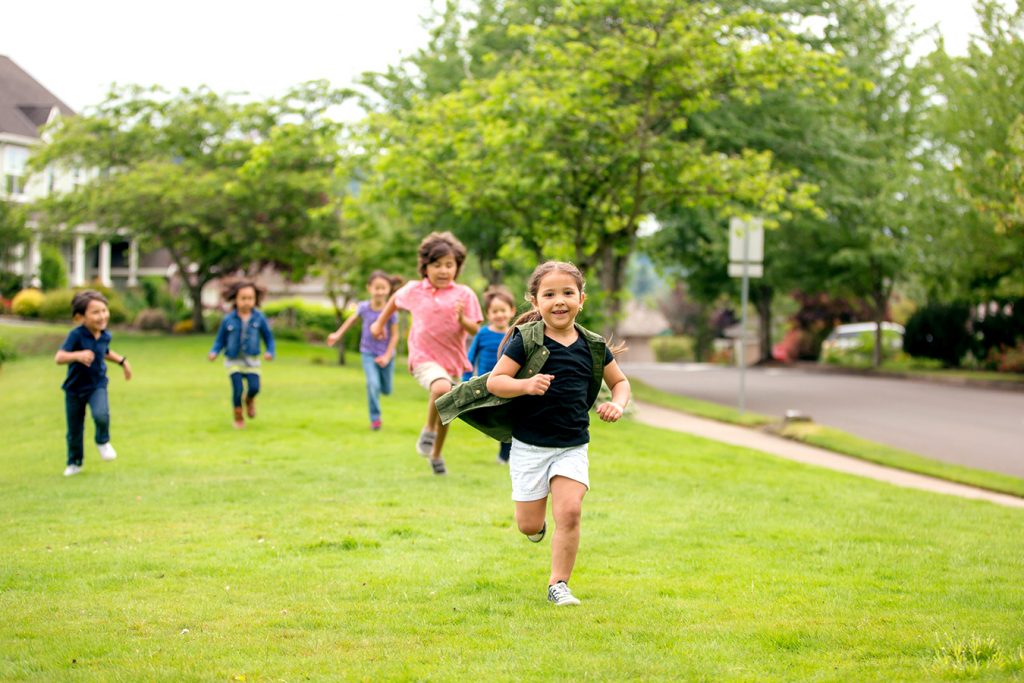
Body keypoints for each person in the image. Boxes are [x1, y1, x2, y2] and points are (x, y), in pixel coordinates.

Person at [437, 261, 629, 606]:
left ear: (581, 299)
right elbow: (496, 381)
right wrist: (526, 385)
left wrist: (618, 403)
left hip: (572, 446)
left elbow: (620, 382)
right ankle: (536, 529)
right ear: (535, 301)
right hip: (529, 446)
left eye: (568, 293)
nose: (559, 301)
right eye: (549, 294)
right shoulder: (526, 340)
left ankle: (559, 584)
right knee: (528, 525)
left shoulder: (593, 345)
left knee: (570, 512)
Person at [370, 231, 482, 475]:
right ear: (425, 267)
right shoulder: (414, 290)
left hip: (452, 362)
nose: (443, 270)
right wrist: (379, 324)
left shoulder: (464, 294)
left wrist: (462, 319)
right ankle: (428, 430)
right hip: (423, 358)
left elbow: (476, 328)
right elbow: (394, 301)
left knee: (447, 410)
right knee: (441, 389)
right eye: (437, 265)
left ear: (457, 267)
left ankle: (437, 453)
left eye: (449, 265)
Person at [55, 290, 133, 477]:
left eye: (104, 310)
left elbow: (104, 351)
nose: (102, 316)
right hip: (74, 389)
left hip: (97, 385)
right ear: (80, 317)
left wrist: (122, 362)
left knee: (101, 415)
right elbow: (59, 357)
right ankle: (74, 462)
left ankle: (102, 441)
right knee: (74, 429)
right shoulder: (76, 335)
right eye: (95, 312)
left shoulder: (105, 335)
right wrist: (77, 355)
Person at [326, 271, 401, 431]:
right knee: (372, 384)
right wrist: (337, 334)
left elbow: (395, 336)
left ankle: (380, 389)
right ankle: (375, 419)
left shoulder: (391, 311)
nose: (379, 291)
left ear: (388, 290)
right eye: (376, 288)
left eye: (383, 288)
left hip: (386, 354)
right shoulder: (364, 308)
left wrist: (387, 356)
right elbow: (351, 321)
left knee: (386, 390)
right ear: (369, 288)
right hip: (368, 352)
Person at [208, 280, 275, 429]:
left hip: (252, 361)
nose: (246, 302)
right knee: (237, 388)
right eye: (243, 298)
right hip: (233, 360)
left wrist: (270, 352)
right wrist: (214, 351)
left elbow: (269, 338)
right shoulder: (228, 319)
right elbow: (220, 340)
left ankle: (250, 399)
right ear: (236, 299)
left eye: (250, 298)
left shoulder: (259, 318)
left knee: (254, 388)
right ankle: (238, 417)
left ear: (255, 300)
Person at [462, 285, 517, 463]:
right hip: (486, 384)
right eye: (495, 311)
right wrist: (465, 379)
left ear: (512, 311)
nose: (499, 314)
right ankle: (489, 426)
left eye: (503, 310)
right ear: (488, 314)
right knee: (492, 416)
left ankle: (505, 454)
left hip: (508, 383)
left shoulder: (515, 335)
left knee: (508, 419)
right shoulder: (483, 334)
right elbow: (470, 357)